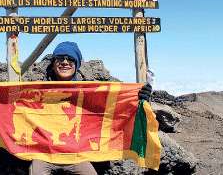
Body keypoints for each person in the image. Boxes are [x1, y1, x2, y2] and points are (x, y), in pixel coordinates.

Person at [30, 41, 153, 175]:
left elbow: (114, 109)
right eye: (60, 58)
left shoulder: (90, 92)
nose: (65, 62)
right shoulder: (38, 90)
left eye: (70, 58)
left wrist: (138, 97)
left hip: (77, 155)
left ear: (76, 64)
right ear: (53, 63)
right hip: (44, 155)